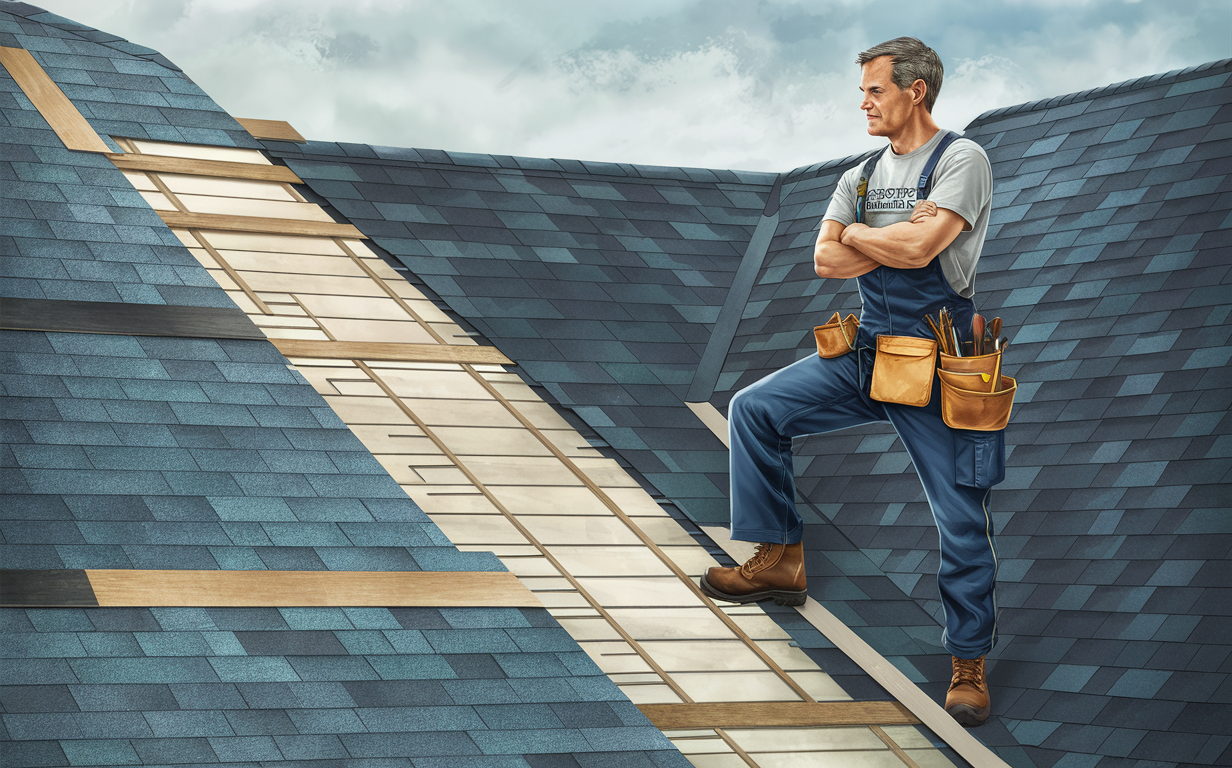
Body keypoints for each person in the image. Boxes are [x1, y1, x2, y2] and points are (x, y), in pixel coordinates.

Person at [700, 37, 999, 727]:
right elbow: (823, 260)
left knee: (961, 517)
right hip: (865, 351)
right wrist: (880, 234)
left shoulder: (962, 159)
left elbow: (922, 250)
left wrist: (862, 234)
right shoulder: (861, 172)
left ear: (914, 91)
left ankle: (969, 660)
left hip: (937, 363)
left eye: (874, 90)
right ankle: (780, 559)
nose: (862, 102)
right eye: (862, 91)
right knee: (756, 410)